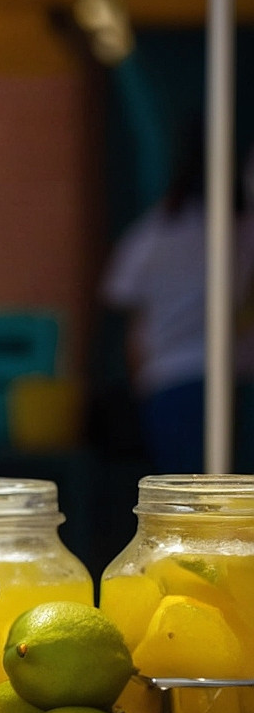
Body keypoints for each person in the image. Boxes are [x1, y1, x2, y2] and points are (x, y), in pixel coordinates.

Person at [102, 133, 254, 472]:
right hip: (229, 377)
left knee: (187, 506)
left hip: (170, 383)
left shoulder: (150, 236)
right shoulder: (242, 232)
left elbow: (130, 318)